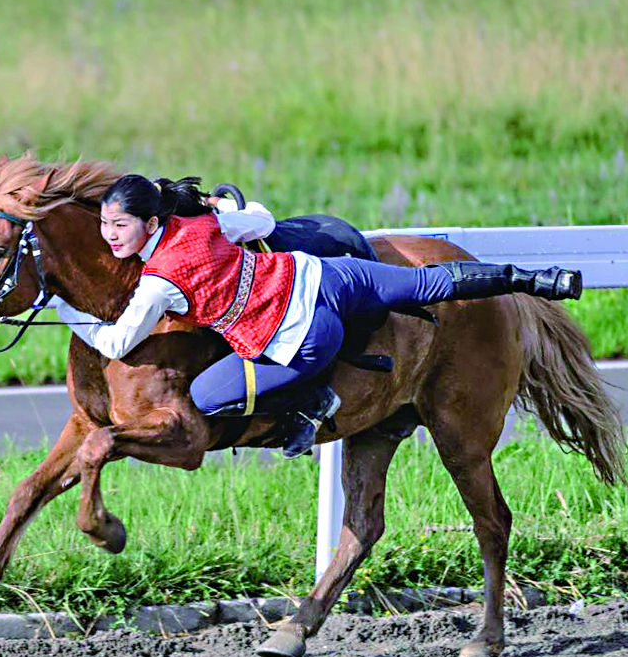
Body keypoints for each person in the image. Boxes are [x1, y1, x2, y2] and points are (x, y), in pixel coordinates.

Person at [49, 175, 581, 458]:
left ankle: (310, 403)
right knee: (428, 282)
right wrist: (223, 209)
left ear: (148, 221)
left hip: (303, 339)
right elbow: (262, 219)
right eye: (104, 225)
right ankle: (537, 281)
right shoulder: (208, 223)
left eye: (118, 225)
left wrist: (64, 307)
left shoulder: (159, 282)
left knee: (209, 396)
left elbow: (119, 342)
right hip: (327, 277)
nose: (108, 236)